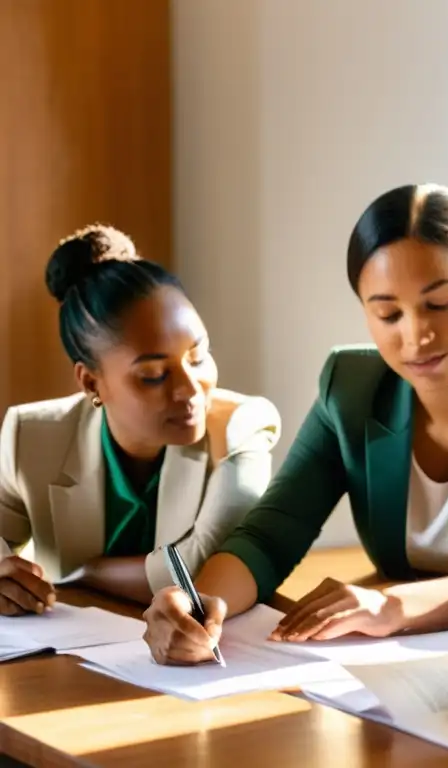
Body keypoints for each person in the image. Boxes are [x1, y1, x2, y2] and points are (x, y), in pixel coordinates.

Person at [142, 183, 448, 664]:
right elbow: (272, 535)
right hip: (421, 652)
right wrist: (200, 604)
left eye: (439, 304)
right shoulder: (350, 388)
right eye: (388, 313)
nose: (416, 336)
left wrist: (389, 604)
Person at [0, 224, 281, 612]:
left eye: (198, 357)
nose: (190, 388)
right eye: (153, 375)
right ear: (91, 382)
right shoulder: (32, 436)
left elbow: (204, 565)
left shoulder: (241, 428)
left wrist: (88, 574)